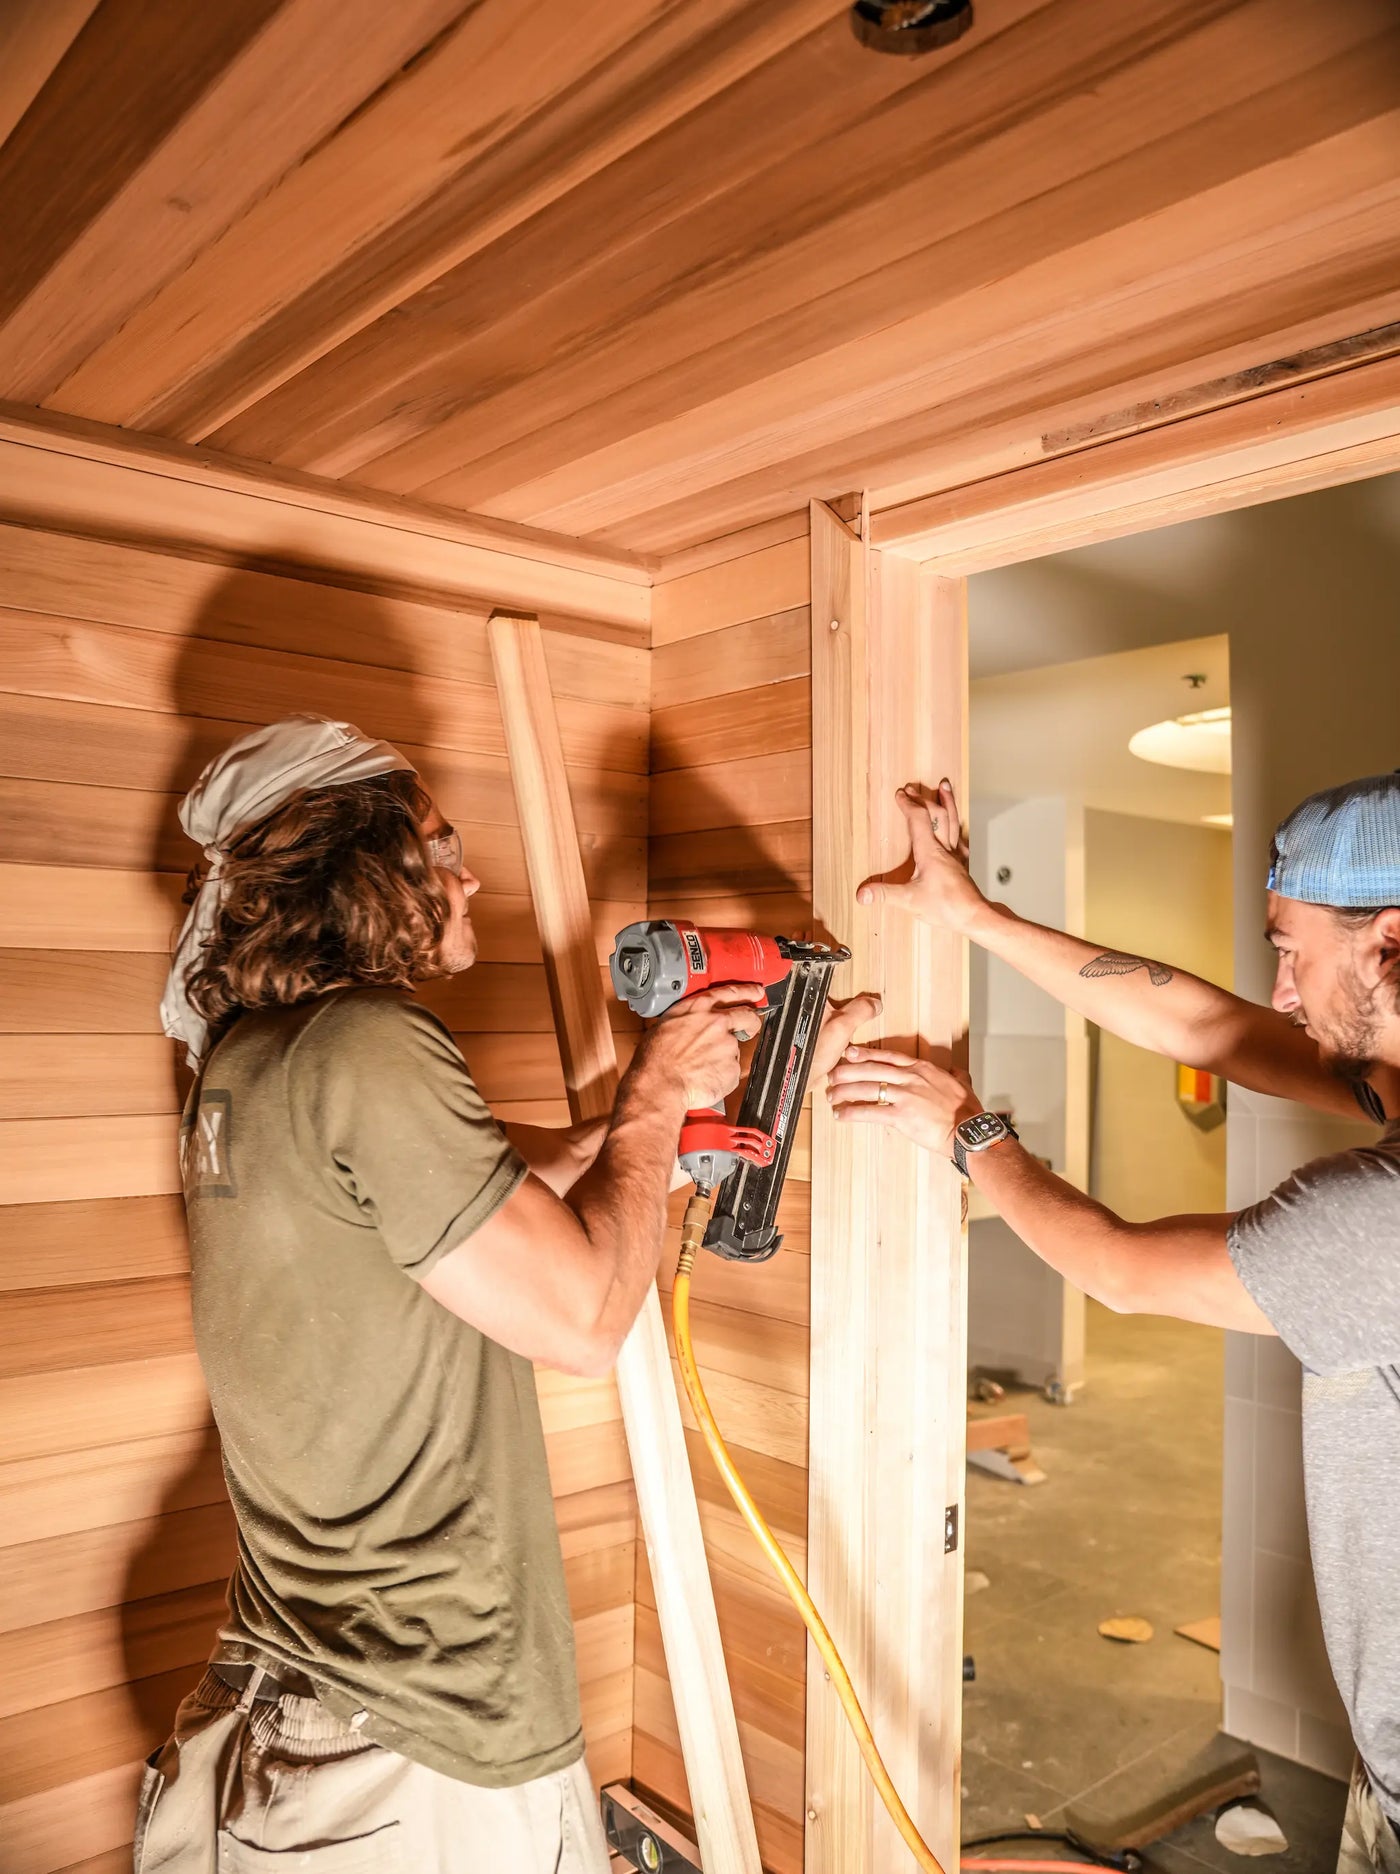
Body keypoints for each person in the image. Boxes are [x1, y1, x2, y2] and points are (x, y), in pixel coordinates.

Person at [139, 714, 874, 1874]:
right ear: (361, 866)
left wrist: (686, 1116)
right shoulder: (370, 1042)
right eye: (440, 844)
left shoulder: (257, 1057)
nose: (468, 873)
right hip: (421, 1735)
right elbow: (582, 1321)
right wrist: (653, 1098)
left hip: (289, 1702)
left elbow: (496, 1189)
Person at [826, 773, 1400, 1874]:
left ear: (1389, 937)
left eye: (1292, 952)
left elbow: (1120, 1270)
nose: (1279, 991)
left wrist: (968, 1131)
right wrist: (971, 915)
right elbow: (1207, 1025)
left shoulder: (1376, 1219)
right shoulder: (1387, 1080)